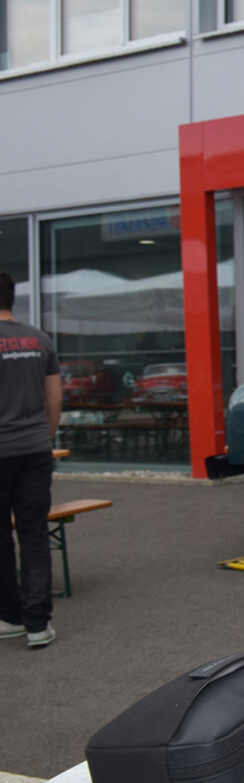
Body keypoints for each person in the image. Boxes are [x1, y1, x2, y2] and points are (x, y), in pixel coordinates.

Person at [0, 270, 62, 649]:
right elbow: (54, 399)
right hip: (35, 449)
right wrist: (45, 436)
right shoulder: (39, 339)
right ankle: (38, 623)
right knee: (35, 532)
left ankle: (10, 616)